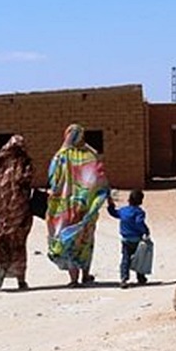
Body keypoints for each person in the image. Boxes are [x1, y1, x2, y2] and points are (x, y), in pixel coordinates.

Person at [46, 123, 110, 287]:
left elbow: (53, 178)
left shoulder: (60, 156)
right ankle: (85, 275)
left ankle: (73, 279)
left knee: (68, 239)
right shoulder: (90, 156)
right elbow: (100, 178)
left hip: (65, 208)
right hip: (85, 208)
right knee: (85, 240)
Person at [0, 134, 35, 291]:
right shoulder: (25, 162)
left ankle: (2, 265)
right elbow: (26, 180)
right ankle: (21, 280)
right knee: (18, 243)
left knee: (1, 239)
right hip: (19, 209)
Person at [107, 189, 150, 288]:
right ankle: (141, 277)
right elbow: (139, 223)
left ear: (129, 200)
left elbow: (113, 213)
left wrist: (110, 203)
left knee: (125, 259)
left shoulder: (123, 211)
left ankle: (124, 279)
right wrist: (145, 231)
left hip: (126, 239)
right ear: (141, 201)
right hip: (137, 239)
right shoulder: (139, 212)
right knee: (139, 258)